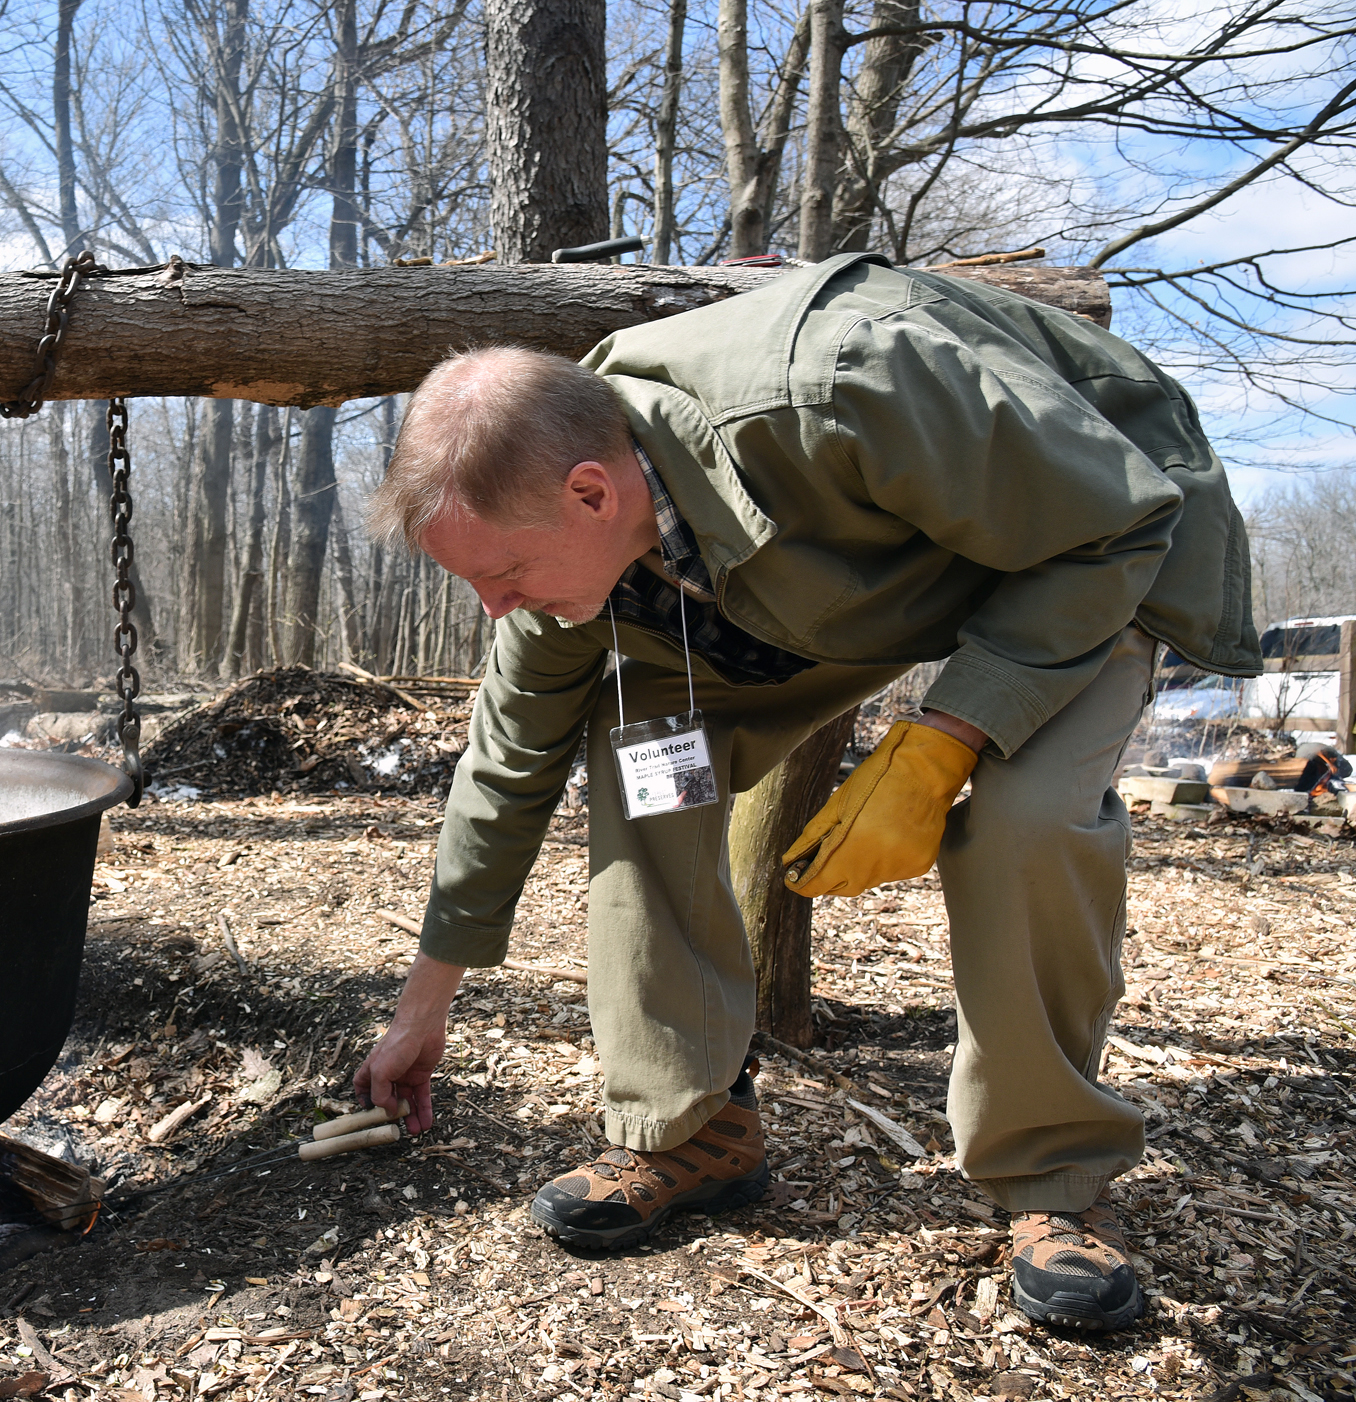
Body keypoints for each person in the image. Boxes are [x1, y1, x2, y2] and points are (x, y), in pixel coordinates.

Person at [351, 252, 1260, 1332]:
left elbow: (1110, 524)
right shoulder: (565, 550)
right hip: (823, 595)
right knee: (639, 747)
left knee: (1020, 819)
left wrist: (940, 743)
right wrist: (424, 1007)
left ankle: (1055, 1183)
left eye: (499, 575)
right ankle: (694, 1129)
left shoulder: (846, 382)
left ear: (590, 493)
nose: (494, 609)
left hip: (1073, 552)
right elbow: (506, 766)